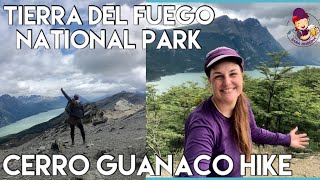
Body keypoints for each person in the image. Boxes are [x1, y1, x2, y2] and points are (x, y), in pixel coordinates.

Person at [183, 47, 309, 177]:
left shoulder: (241, 103)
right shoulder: (203, 124)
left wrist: (286, 139)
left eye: (233, 74)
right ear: (210, 80)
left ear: (242, 76)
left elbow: (252, 131)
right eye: (219, 76)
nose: (227, 82)